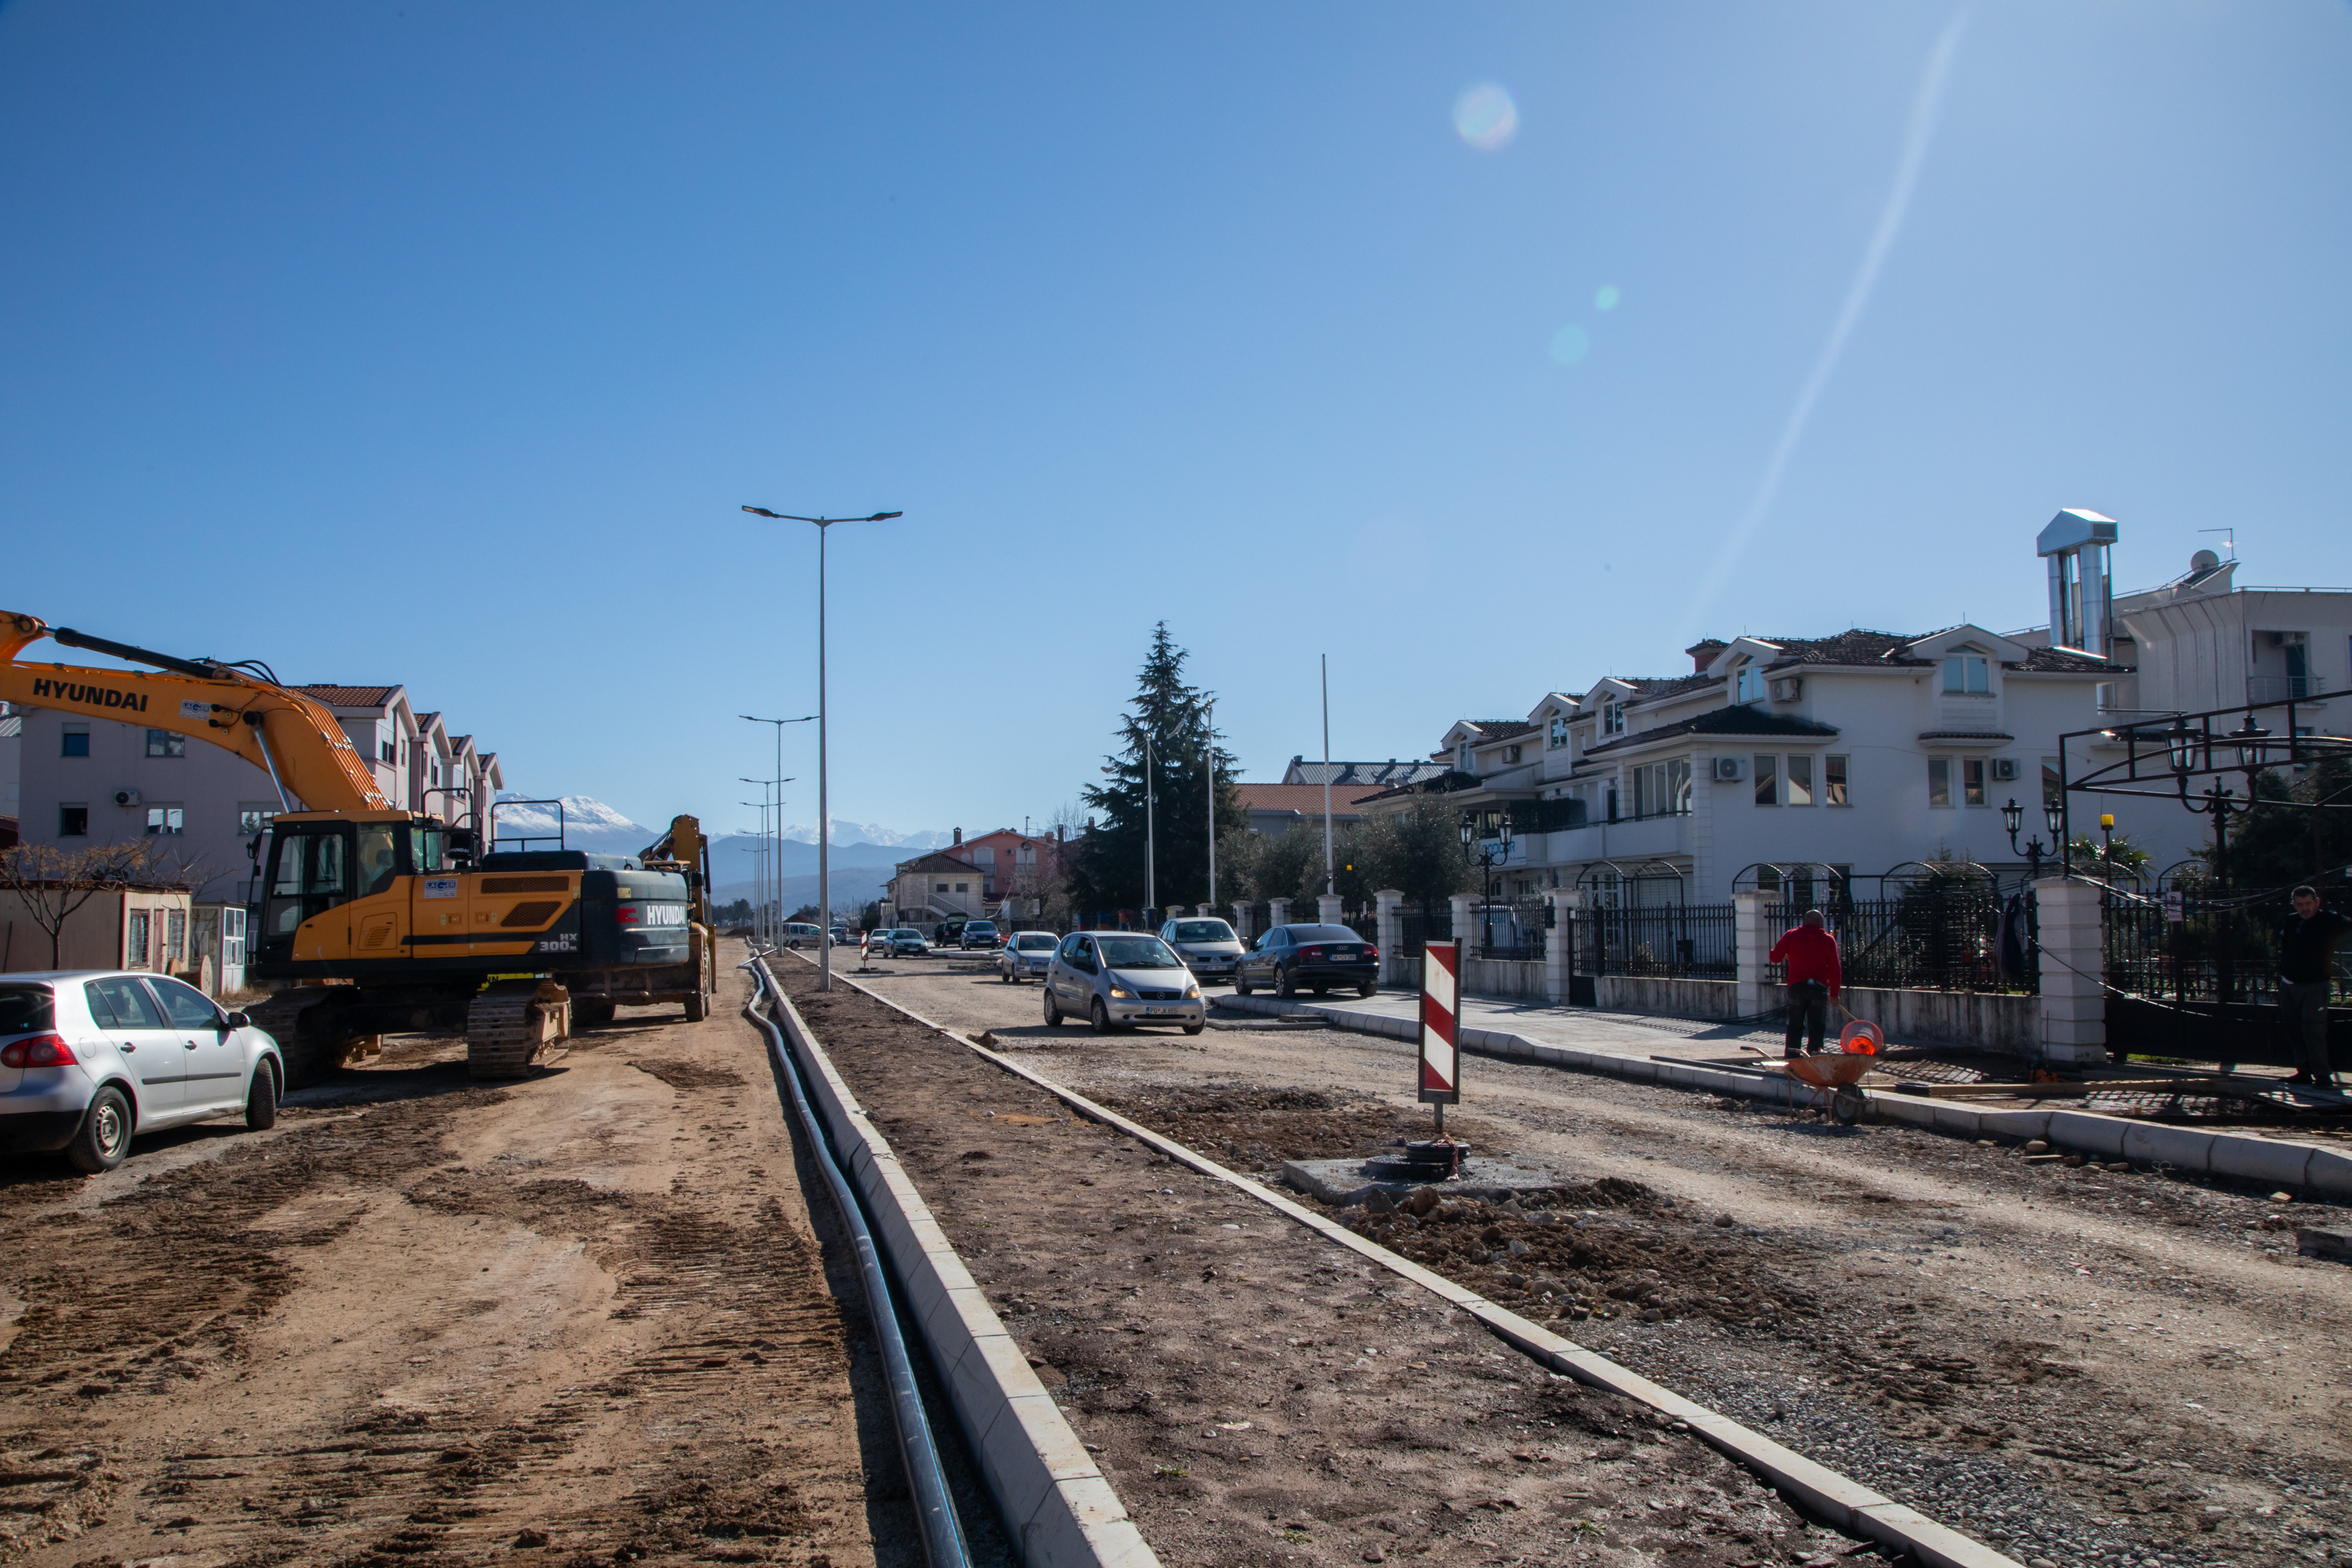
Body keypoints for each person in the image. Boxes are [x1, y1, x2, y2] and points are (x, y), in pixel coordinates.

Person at [2278, 885, 2348, 1089]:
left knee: (2313, 1030)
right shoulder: (2292, 920)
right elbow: (2285, 946)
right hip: (2290, 983)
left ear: (2317, 902)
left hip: (2315, 985)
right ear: (2294, 904)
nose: (2304, 908)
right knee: (2294, 1030)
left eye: (2308, 903)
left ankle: (2323, 1075)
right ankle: (2303, 1071)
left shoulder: (2329, 920)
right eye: (2299, 905)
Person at [1769, 909, 1842, 1058]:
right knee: (1817, 1026)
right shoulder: (1828, 940)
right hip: (1818, 988)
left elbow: (1775, 957)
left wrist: (1777, 951)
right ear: (1820, 922)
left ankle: (1792, 1059)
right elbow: (1835, 970)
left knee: (1795, 1025)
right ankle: (1814, 1057)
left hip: (1796, 987)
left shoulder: (1791, 935)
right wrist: (1834, 994)